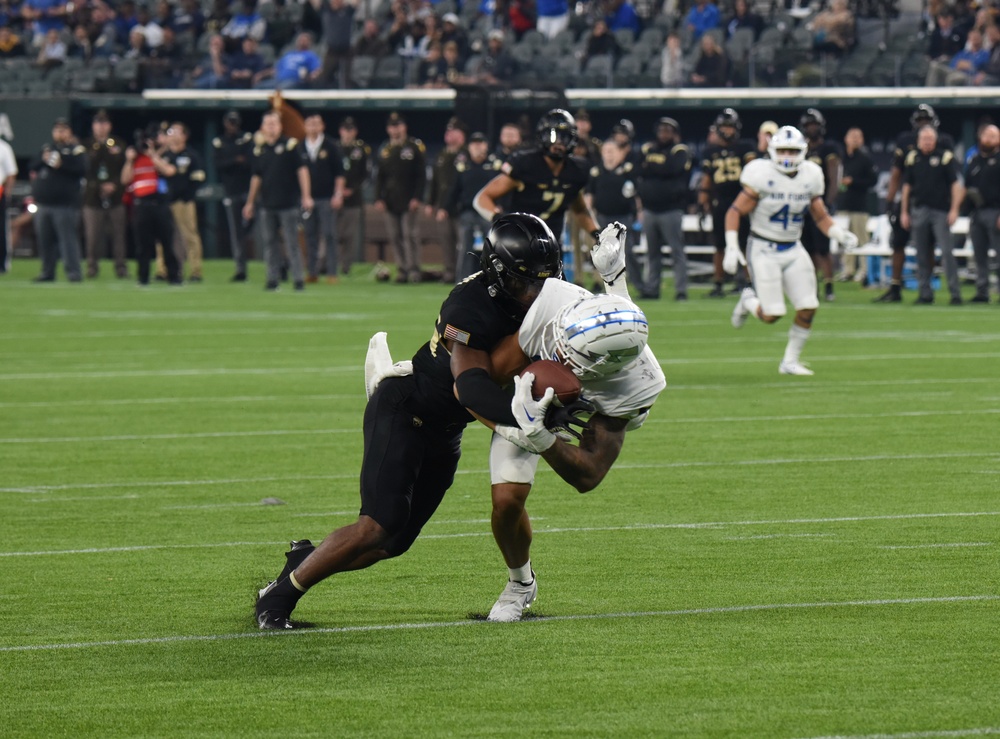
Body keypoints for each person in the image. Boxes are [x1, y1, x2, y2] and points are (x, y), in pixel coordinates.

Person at [254, 213, 564, 630]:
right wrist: (526, 419)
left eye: (543, 280)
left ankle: (302, 560)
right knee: (375, 526)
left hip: (446, 431)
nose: (534, 293)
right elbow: (470, 390)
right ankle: (276, 601)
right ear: (495, 272)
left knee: (393, 543)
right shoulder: (468, 306)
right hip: (406, 408)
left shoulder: (551, 295)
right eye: (523, 281)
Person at [725, 126, 858, 376]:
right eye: (783, 150)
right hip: (764, 247)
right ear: (773, 151)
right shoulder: (760, 174)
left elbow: (819, 215)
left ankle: (790, 361)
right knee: (772, 314)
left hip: (793, 247)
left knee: (808, 305)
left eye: (793, 150)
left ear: (803, 152)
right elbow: (735, 211)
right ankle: (748, 300)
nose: (787, 155)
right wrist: (732, 245)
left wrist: (838, 233)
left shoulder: (810, 175)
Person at [475, 109, 599, 265]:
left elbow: (579, 208)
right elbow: (482, 198)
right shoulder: (526, 164)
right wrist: (499, 219)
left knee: (555, 288)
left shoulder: (576, 170)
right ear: (542, 136)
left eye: (564, 137)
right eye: (553, 136)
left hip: (551, 246)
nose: (558, 143)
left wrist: (596, 233)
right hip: (518, 244)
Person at [877, 104, 956, 303]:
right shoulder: (906, 143)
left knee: (931, 248)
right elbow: (898, 174)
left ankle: (929, 288)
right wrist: (891, 202)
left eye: (926, 122)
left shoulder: (944, 144)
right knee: (900, 243)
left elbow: (953, 179)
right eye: (920, 122)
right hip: (912, 202)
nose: (923, 126)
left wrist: (952, 206)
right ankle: (896, 286)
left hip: (937, 204)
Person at [243, 110, 313, 291]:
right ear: (262, 128)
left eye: (274, 123)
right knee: (269, 244)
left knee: (292, 243)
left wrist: (306, 195)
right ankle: (272, 279)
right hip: (267, 204)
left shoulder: (290, 146)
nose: (271, 127)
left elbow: (302, 170)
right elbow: (256, 177)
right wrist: (250, 202)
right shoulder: (260, 149)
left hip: (288, 203)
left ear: (280, 126)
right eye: (268, 124)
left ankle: (298, 279)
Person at [900, 125, 964, 305]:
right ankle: (925, 293)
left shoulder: (945, 157)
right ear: (919, 141)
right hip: (919, 210)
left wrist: (954, 209)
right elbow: (906, 187)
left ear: (935, 141)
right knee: (921, 253)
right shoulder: (913, 158)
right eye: (924, 139)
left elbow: (955, 185)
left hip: (940, 211)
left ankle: (955, 293)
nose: (927, 143)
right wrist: (904, 211)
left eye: (930, 139)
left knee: (946, 252)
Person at [698, 108, 756, 298]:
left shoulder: (745, 147)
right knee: (720, 246)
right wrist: (702, 203)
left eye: (731, 127)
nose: (728, 131)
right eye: (725, 127)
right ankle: (719, 283)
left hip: (742, 202)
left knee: (745, 244)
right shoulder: (710, 151)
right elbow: (706, 179)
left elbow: (753, 171)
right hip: (720, 202)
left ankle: (748, 282)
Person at [637, 117, 692, 300]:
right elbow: (639, 169)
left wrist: (653, 166)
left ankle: (681, 290)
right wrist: (658, 167)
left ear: (675, 133)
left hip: (671, 209)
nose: (664, 134)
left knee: (677, 251)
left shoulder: (680, 150)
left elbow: (673, 168)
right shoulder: (648, 148)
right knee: (652, 253)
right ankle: (652, 289)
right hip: (650, 209)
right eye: (661, 130)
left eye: (668, 131)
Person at [122, 123, 181, 286]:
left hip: (160, 204)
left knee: (167, 242)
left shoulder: (163, 156)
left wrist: (153, 155)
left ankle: (174, 276)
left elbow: (169, 171)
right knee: (143, 245)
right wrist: (128, 161)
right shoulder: (137, 159)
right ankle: (143, 277)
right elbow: (125, 179)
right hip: (141, 205)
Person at [30, 118, 86, 284]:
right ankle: (47, 272)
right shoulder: (48, 148)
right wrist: (43, 159)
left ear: (69, 132)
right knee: (45, 241)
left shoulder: (76, 150)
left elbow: (82, 169)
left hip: (65, 205)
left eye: (63, 129)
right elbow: (32, 165)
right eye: (57, 129)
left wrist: (62, 164)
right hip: (44, 204)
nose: (60, 133)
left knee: (67, 240)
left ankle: (73, 272)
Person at [373, 112, 427, 284]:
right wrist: (378, 198)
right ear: (388, 129)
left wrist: (417, 197)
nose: (395, 130)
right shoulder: (385, 150)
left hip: (409, 199)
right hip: (390, 200)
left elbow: (421, 175)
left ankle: (414, 270)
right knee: (395, 236)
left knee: (409, 235)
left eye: (398, 126)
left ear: (404, 127)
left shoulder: (414, 147)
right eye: (392, 126)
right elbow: (379, 177)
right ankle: (402, 270)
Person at [442, 131, 501, 281]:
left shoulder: (494, 165)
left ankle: (495, 278)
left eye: (480, 143)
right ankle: (462, 281)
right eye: (474, 144)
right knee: (464, 248)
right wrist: (446, 208)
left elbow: (503, 189)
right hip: (467, 211)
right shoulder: (463, 166)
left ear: (486, 146)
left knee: (493, 247)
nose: (477, 147)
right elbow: (454, 189)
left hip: (487, 212)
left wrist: (499, 206)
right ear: (469, 147)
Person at [799, 108, 841, 302]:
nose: (812, 129)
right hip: (803, 205)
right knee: (808, 250)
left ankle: (829, 285)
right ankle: (811, 285)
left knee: (823, 249)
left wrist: (829, 202)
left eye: (814, 125)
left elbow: (834, 177)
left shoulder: (828, 149)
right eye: (809, 125)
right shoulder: (801, 151)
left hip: (819, 205)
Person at [588, 138, 642, 288]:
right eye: (606, 151)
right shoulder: (596, 172)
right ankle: (600, 283)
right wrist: (590, 215)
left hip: (623, 217)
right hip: (602, 217)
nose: (609, 155)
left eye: (612, 151)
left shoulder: (628, 170)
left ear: (620, 153)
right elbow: (589, 195)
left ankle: (639, 284)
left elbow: (637, 193)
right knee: (601, 253)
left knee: (628, 251)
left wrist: (639, 212)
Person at [157, 122, 206, 282]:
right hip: (165, 203)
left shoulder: (191, 155)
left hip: (184, 203)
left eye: (175, 131)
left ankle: (195, 271)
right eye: (170, 132)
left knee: (189, 236)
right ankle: (162, 270)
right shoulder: (164, 156)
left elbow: (198, 178)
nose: (171, 134)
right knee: (162, 237)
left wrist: (187, 196)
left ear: (184, 135)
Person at [82, 110, 128, 279]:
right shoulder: (86, 145)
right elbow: (84, 170)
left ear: (109, 125)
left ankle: (121, 268)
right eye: (98, 124)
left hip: (116, 197)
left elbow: (125, 168)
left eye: (104, 123)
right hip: (92, 198)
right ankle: (92, 268)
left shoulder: (118, 144)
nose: (101, 127)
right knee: (92, 237)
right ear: (93, 126)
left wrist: (114, 185)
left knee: (118, 236)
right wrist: (99, 186)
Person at [302, 113, 346, 284]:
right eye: (310, 124)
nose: (313, 127)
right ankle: (312, 272)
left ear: (322, 126)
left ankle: (332, 272)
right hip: (307, 199)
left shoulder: (331, 145)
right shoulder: (300, 146)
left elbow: (340, 173)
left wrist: (338, 194)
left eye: (316, 124)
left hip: (326, 198)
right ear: (305, 126)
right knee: (310, 236)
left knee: (329, 235)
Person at [213, 111, 254, 281]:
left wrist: (233, 161)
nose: (232, 125)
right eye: (230, 122)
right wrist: (235, 160)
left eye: (235, 122)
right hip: (232, 191)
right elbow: (218, 164)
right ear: (225, 123)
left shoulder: (247, 138)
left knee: (256, 230)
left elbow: (250, 161)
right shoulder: (219, 141)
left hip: (250, 191)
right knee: (236, 233)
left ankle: (278, 267)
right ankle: (240, 269)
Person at [426, 117, 467, 283]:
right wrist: (431, 203)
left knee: (463, 244)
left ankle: (462, 273)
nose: (449, 134)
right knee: (446, 242)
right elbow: (436, 182)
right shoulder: (442, 155)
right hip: (443, 207)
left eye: (453, 131)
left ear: (462, 134)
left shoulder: (466, 154)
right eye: (448, 131)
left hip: (460, 207)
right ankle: (449, 272)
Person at [964, 123, 1000, 303]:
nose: (990, 139)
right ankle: (982, 292)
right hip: (977, 212)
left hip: (996, 211)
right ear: (980, 137)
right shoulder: (974, 160)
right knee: (979, 256)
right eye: (987, 135)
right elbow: (967, 184)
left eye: (994, 136)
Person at [837, 127, 878, 285]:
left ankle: (864, 271)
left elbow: (873, 181)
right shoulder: (841, 158)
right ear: (846, 139)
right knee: (844, 239)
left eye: (858, 136)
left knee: (862, 240)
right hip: (843, 204)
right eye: (852, 136)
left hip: (859, 206)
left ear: (862, 140)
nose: (855, 139)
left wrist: (853, 181)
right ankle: (847, 270)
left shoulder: (865, 159)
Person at [335, 116, 370, 275]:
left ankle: (346, 266)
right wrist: (338, 191)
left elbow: (366, 175)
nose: (348, 133)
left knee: (349, 235)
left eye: (351, 130)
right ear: (340, 131)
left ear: (355, 131)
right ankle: (328, 264)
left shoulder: (361, 150)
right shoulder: (334, 148)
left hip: (354, 200)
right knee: (331, 234)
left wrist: (353, 189)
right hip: (334, 198)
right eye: (345, 130)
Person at [255, 31, 321, 90]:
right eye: (300, 40)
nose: (302, 42)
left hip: (295, 81)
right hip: (278, 80)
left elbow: (317, 70)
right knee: (259, 87)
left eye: (305, 40)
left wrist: (311, 76)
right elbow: (275, 70)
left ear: (309, 43)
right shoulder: (288, 54)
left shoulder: (311, 55)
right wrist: (261, 75)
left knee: (281, 88)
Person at [312, 0, 355, 89]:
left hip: (346, 50)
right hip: (332, 50)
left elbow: (357, 2)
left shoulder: (348, 11)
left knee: (347, 78)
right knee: (325, 77)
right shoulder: (325, 10)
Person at [0, 133, 17, 274]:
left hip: (0, 192)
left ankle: (2, 263)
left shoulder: (4, 148)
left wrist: (8, 193)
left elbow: (11, 172)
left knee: (1, 229)